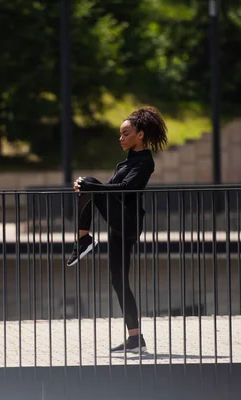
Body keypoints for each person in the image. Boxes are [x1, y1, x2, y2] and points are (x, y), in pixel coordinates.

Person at [66, 106, 168, 354]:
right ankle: (135, 339)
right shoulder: (127, 162)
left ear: (140, 135)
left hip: (129, 222)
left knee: (89, 182)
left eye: (125, 133)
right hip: (119, 222)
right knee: (118, 280)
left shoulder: (145, 163)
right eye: (120, 134)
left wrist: (89, 185)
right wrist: (89, 187)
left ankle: (84, 239)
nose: (120, 138)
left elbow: (124, 187)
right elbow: (110, 188)